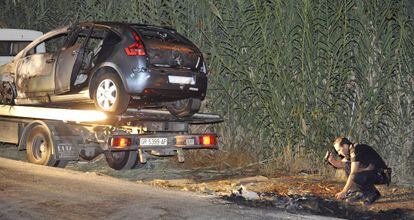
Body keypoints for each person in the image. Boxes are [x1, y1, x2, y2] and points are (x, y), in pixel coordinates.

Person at [327, 137, 391, 205]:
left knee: (355, 175)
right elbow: (341, 164)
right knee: (347, 165)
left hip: (381, 175)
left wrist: (344, 191)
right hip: (372, 173)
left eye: (339, 150)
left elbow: (353, 173)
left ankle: (372, 194)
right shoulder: (350, 151)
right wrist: (331, 161)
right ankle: (358, 192)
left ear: (345, 145)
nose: (339, 153)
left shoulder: (356, 149)